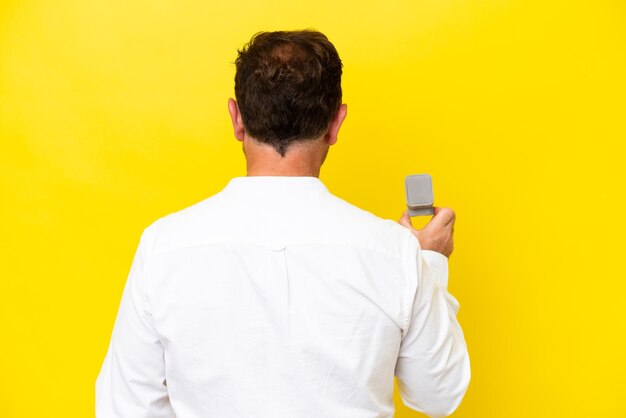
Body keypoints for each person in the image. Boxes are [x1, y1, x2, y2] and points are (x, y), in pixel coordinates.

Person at [95, 29, 470, 418]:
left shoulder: (163, 247)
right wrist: (430, 262)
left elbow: (125, 408)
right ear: (335, 123)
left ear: (236, 119)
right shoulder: (395, 253)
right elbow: (438, 395)